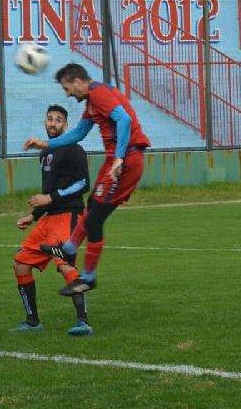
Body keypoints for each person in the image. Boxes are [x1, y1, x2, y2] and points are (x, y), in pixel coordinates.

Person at [23, 63, 151, 298]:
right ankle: (68, 249)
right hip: (115, 160)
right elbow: (79, 133)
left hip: (125, 160)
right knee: (92, 206)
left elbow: (123, 120)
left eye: (67, 88)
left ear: (78, 82)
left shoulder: (98, 93)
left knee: (95, 219)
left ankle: (88, 277)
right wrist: (46, 143)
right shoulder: (93, 101)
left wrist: (120, 158)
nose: (67, 94)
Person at [11, 105, 93, 336]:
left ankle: (83, 322)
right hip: (48, 218)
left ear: (66, 125)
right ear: (45, 122)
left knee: (64, 264)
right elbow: (47, 190)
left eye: (59, 120)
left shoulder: (73, 149)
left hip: (69, 215)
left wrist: (51, 197)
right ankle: (32, 321)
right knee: (20, 264)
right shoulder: (45, 153)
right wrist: (32, 216)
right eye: (50, 119)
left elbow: (83, 184)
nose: (53, 123)